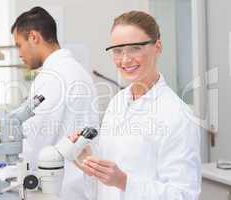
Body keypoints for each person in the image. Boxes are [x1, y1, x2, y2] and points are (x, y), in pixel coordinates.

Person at [73, 10, 201, 200]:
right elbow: (108, 183)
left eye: (135, 48)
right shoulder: (117, 102)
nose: (125, 59)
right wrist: (89, 163)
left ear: (157, 47)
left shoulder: (178, 115)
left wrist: (125, 182)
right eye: (117, 50)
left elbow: (183, 195)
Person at [11, 7, 99, 200]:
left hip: (60, 189)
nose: (19, 53)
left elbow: (36, 143)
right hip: (81, 187)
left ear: (34, 37)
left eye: (19, 45)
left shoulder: (52, 77)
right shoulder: (76, 69)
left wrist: (10, 173)